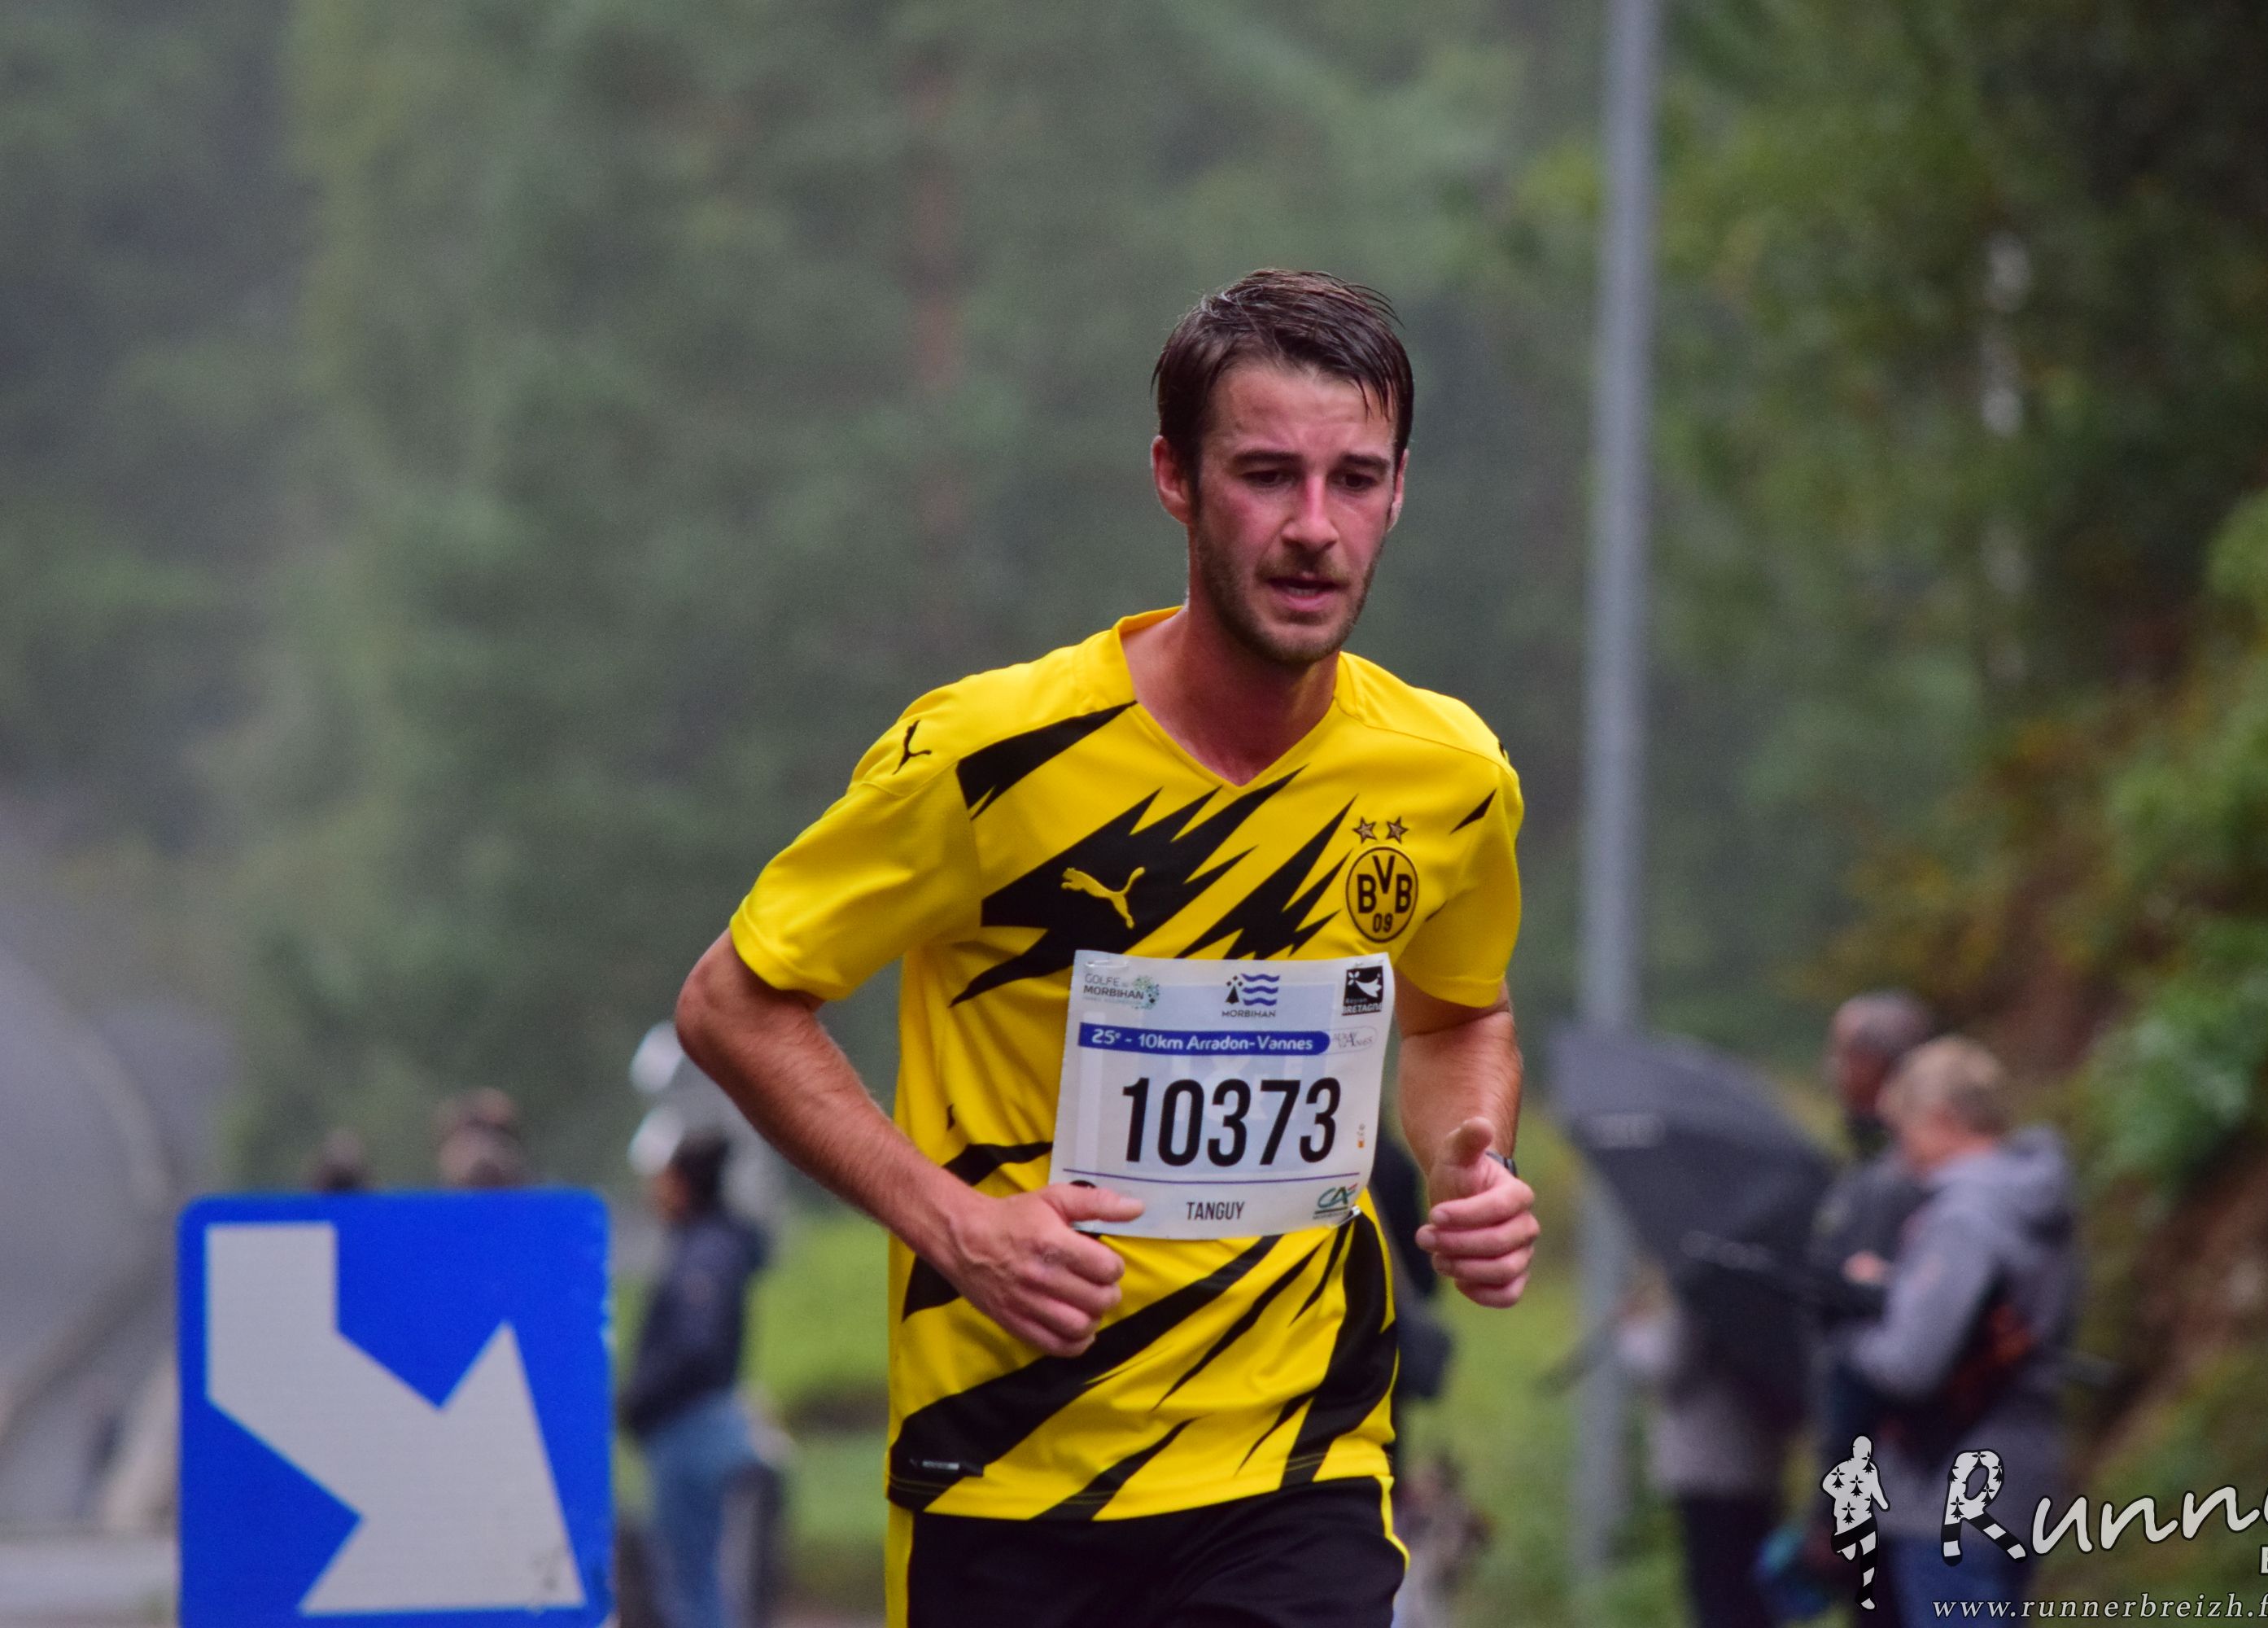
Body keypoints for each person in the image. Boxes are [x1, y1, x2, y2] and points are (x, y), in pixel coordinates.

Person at [675, 269, 1538, 1628]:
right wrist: (956, 1227)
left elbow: (1455, 1017)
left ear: (1399, 491)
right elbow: (734, 1005)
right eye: (1266, 475)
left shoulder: (1449, 775)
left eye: (1355, 479)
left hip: (1299, 1469)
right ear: (1174, 479)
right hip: (1008, 1470)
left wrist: (1466, 1162)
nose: (1314, 529)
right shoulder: (988, 756)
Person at [1833, 1038, 2078, 1619]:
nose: (1904, 1156)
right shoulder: (2034, 1197)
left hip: (1950, 1484)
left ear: (1942, 1119)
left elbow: (1910, 1362)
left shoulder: (1963, 1217)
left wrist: (1853, 1329)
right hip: (2022, 1467)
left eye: (1907, 1132)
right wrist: (1902, 1286)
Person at [1799, 991, 1934, 1625]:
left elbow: (1861, 1353)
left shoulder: (1890, 1183)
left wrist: (1832, 1504)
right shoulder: (1889, 1171)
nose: (1833, 1071)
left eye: (1843, 1055)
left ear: (1877, 1066)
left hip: (1895, 1479)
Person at [620, 1127, 769, 1628]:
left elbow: (695, 1344)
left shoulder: (703, 1251)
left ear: (680, 1183)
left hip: (690, 1431)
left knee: (691, 1588)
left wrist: (637, 1401)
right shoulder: (718, 1244)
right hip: (711, 1424)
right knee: (705, 1581)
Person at [1617, 1284, 1789, 1628]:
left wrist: (1632, 1331)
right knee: (1751, 1591)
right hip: (1759, 1464)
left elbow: (1666, 1364)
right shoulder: (1768, 1306)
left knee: (1716, 1591)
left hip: (1706, 1469)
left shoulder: (1704, 1297)